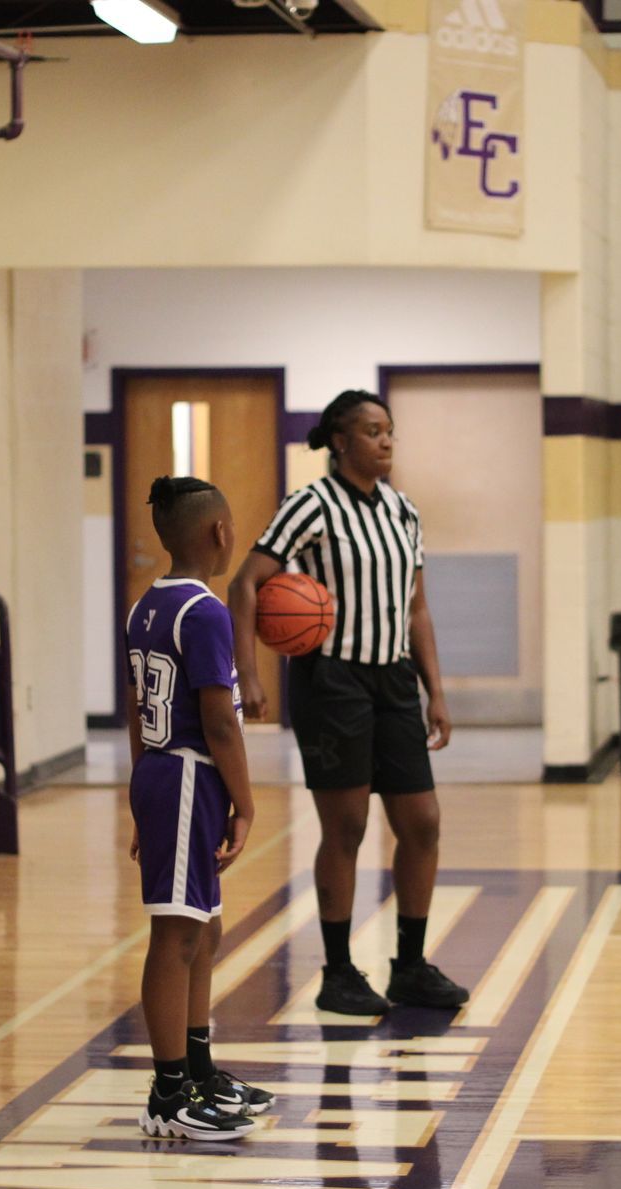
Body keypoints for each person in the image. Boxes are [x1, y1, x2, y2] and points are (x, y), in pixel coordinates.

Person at [228, 390, 466, 1017]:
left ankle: (409, 966)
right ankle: (337, 972)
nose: (385, 441)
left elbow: (416, 608)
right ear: (340, 441)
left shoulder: (403, 511)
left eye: (389, 431)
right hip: (331, 680)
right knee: (348, 826)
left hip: (394, 681)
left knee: (423, 822)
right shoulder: (310, 505)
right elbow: (245, 583)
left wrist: (436, 691)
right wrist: (248, 674)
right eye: (372, 430)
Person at [127, 476, 274, 1140]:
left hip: (164, 775)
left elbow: (137, 712)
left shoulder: (145, 607)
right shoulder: (206, 612)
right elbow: (220, 723)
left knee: (204, 930)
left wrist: (141, 792)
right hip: (189, 775)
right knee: (177, 936)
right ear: (220, 532)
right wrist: (245, 803)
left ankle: (197, 1068)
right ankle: (168, 1093)